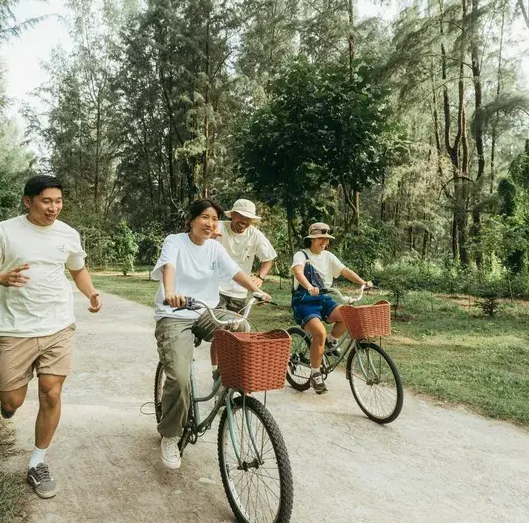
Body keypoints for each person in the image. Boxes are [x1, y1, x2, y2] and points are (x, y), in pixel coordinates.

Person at [0, 175, 102, 499]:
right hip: (16, 329)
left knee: (51, 393)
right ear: (28, 201)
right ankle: (9, 406)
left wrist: (91, 292)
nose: (54, 208)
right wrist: (1, 278)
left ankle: (37, 461)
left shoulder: (68, 234)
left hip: (58, 326)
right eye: (46, 201)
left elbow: (77, 269)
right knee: (11, 401)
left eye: (58, 201)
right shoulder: (4, 231)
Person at [152, 199, 270, 470]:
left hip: (205, 312)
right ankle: (170, 435)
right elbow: (169, 266)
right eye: (204, 217)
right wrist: (169, 292)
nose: (210, 223)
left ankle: (228, 382)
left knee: (241, 326)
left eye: (215, 219)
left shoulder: (215, 248)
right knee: (180, 378)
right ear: (191, 219)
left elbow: (235, 272)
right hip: (174, 314)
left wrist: (257, 289)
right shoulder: (175, 241)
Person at [290, 222, 372, 395]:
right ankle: (315, 374)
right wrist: (308, 286)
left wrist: (363, 282)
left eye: (326, 239)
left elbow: (344, 271)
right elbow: (298, 272)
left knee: (348, 315)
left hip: (324, 298)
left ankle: (331, 340)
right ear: (312, 239)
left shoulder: (328, 256)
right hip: (304, 301)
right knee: (319, 332)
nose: (324, 242)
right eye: (321, 238)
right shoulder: (301, 255)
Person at [209, 198, 277, 380]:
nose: (244, 222)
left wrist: (260, 277)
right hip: (216, 288)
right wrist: (210, 236)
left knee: (238, 333)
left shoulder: (255, 235)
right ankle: (216, 371)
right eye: (241, 217)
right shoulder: (219, 228)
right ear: (233, 215)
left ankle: (231, 370)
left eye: (248, 219)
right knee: (221, 332)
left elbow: (268, 258)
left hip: (240, 291)